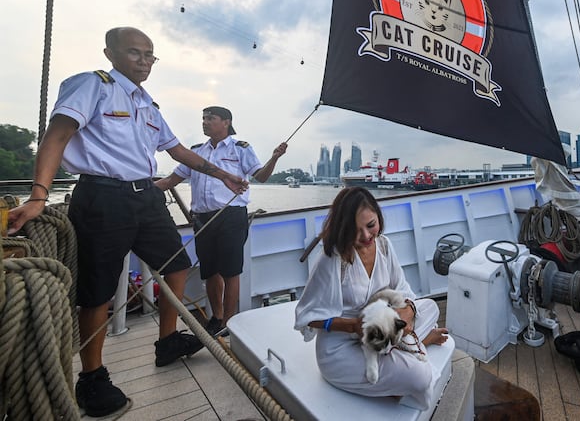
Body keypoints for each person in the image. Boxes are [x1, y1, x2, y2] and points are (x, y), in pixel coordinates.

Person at [7, 26, 250, 418]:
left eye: (149, 55)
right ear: (111, 53)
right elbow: (58, 135)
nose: (144, 61)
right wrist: (39, 195)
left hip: (146, 197)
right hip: (103, 197)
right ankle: (92, 376)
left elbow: (176, 150)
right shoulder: (92, 86)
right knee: (98, 290)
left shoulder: (149, 105)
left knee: (177, 267)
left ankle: (167, 340)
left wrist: (222, 175)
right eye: (135, 53)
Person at [294, 187, 449, 410]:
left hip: (380, 332)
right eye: (356, 231)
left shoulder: (384, 245)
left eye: (371, 225)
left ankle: (404, 349)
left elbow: (402, 288)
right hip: (341, 347)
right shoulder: (332, 259)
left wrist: (410, 310)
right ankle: (415, 345)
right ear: (344, 229)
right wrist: (353, 327)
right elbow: (307, 317)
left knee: (430, 307)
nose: (366, 236)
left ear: (378, 217)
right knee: (421, 376)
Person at [155, 106, 287, 336]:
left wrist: (274, 157)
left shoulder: (240, 149)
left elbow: (262, 177)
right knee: (209, 271)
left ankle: (229, 320)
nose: (205, 122)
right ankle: (216, 317)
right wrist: (139, 191)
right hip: (203, 218)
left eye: (211, 118)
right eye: (203, 118)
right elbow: (171, 180)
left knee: (230, 271)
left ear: (226, 122)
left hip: (231, 216)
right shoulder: (196, 153)